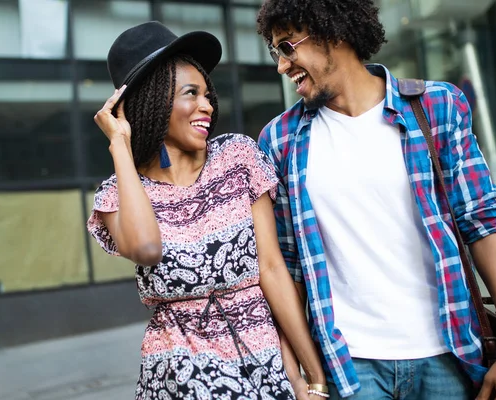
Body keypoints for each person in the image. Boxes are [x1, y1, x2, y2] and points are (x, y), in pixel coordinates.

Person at [255, 1, 496, 399]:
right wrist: (301, 375)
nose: (282, 66)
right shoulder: (280, 140)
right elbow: (288, 268)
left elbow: (483, 221)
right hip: (349, 367)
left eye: (287, 47)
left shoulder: (437, 107)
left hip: (449, 357)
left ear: (331, 31)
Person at [87, 21, 327, 400]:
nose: (207, 106)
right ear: (154, 100)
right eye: (190, 94)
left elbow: (272, 269)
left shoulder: (237, 156)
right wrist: (120, 145)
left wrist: (311, 378)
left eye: (207, 94)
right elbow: (148, 249)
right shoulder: (120, 193)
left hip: (264, 359)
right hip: (180, 371)